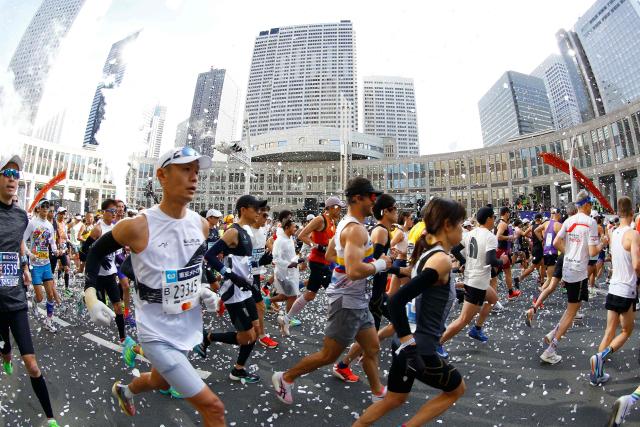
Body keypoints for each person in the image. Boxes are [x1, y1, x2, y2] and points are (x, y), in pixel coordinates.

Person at [83, 146, 225, 425]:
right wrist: (90, 294)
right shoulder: (137, 225)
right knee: (214, 408)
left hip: (186, 326)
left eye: (196, 171)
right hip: (155, 332)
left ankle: (125, 390)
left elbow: (185, 269)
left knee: (160, 381)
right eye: (185, 169)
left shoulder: (201, 226)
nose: (194, 177)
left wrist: (201, 290)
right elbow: (96, 251)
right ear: (162, 175)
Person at [272, 177, 391, 404]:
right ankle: (286, 377)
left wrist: (346, 261)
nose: (375, 203)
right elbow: (355, 271)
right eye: (372, 198)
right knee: (328, 354)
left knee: (372, 346)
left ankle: (378, 392)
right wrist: (381, 264)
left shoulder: (344, 225)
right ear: (357, 198)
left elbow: (329, 256)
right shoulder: (355, 229)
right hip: (347, 300)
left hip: (356, 298)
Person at [353, 197, 466, 427]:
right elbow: (396, 301)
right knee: (456, 390)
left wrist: (386, 266)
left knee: (395, 398)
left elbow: (407, 274)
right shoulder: (441, 260)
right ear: (447, 225)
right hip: (419, 348)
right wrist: (408, 343)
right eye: (460, 224)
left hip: (407, 345)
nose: (462, 230)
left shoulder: (428, 254)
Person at [0, 154, 60, 427]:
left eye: (16, 174)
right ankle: (5, 353)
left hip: (14, 298)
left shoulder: (21, 218)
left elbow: (19, 246)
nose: (13, 178)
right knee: (4, 347)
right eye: (7, 173)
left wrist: (23, 266)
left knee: (32, 365)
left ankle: (50, 419)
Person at [195, 194, 267, 384]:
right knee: (247, 336)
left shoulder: (248, 232)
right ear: (243, 209)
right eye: (256, 209)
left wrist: (264, 260)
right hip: (233, 292)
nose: (259, 213)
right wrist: (230, 274)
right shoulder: (233, 231)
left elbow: (244, 262)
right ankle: (208, 337)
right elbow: (209, 255)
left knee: (256, 330)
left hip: (246, 289)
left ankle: (239, 369)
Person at [540, 190, 607, 365]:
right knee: (572, 311)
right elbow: (593, 251)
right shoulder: (590, 222)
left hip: (569, 267)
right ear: (585, 205)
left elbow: (556, 243)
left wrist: (569, 252)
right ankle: (550, 349)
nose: (591, 207)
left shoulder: (568, 221)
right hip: (578, 270)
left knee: (573, 307)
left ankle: (553, 333)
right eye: (591, 204)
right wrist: (603, 243)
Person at [589, 196, 640, 385]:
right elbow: (636, 264)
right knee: (626, 330)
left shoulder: (613, 233)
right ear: (632, 212)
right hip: (627, 289)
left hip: (614, 287)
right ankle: (601, 356)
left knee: (609, 331)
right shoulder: (633, 235)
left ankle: (596, 371)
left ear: (618, 212)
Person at [439, 206, 507, 346]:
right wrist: (503, 261)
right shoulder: (490, 237)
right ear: (488, 219)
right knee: (463, 319)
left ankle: (477, 329)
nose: (494, 220)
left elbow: (455, 250)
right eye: (493, 217)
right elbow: (491, 261)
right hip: (477, 282)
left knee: (493, 299)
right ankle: (437, 344)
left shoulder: (471, 233)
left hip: (474, 278)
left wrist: (465, 262)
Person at [278, 196, 345, 333]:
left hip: (325, 262)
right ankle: (338, 324)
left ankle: (285, 319)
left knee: (310, 295)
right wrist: (316, 246)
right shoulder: (320, 219)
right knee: (334, 291)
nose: (340, 210)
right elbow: (301, 234)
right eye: (339, 207)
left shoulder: (333, 221)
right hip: (318, 262)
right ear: (331, 207)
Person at [84, 199, 127, 343]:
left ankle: (123, 337)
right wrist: (99, 255)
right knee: (100, 305)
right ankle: (85, 297)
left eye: (116, 211)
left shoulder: (117, 228)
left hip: (110, 274)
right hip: (97, 275)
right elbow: (84, 249)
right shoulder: (98, 229)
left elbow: (118, 250)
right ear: (104, 212)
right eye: (112, 211)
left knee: (117, 306)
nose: (115, 214)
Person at [23, 198, 58, 332]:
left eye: (47, 206)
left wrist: (56, 251)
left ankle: (49, 322)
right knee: (40, 297)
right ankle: (34, 302)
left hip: (46, 264)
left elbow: (52, 242)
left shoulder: (50, 225)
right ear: (38, 208)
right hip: (35, 266)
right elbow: (23, 239)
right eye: (43, 206)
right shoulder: (32, 223)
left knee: (50, 294)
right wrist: (29, 254)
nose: (45, 209)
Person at [248, 205, 278, 349]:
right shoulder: (246, 232)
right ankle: (261, 335)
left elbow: (265, 243)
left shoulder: (263, 230)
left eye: (268, 216)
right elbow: (237, 261)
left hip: (255, 274)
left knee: (256, 306)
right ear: (256, 215)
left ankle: (257, 332)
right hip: (244, 276)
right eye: (264, 216)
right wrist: (258, 261)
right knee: (259, 306)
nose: (267, 219)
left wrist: (269, 255)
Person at [272, 218, 303, 330]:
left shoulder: (290, 238)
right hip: (283, 273)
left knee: (286, 296)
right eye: (293, 226)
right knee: (292, 296)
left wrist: (297, 260)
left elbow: (290, 255)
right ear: (287, 227)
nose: (295, 228)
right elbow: (275, 259)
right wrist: (290, 264)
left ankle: (267, 301)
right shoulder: (280, 241)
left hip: (291, 272)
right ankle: (287, 319)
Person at [494, 207, 521, 299]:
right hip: (501, 251)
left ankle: (510, 293)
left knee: (497, 274)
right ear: (506, 213)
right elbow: (498, 236)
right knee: (498, 274)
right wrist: (509, 237)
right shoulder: (502, 224)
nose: (510, 214)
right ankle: (508, 293)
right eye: (509, 213)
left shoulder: (500, 222)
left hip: (501, 250)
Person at [50, 207, 71, 293]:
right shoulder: (54, 224)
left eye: (64, 214)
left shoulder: (64, 224)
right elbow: (53, 237)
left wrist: (68, 246)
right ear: (57, 214)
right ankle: (51, 288)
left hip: (63, 249)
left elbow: (65, 236)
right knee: (51, 271)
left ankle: (66, 288)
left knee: (67, 268)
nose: (63, 215)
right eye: (61, 213)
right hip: (54, 249)